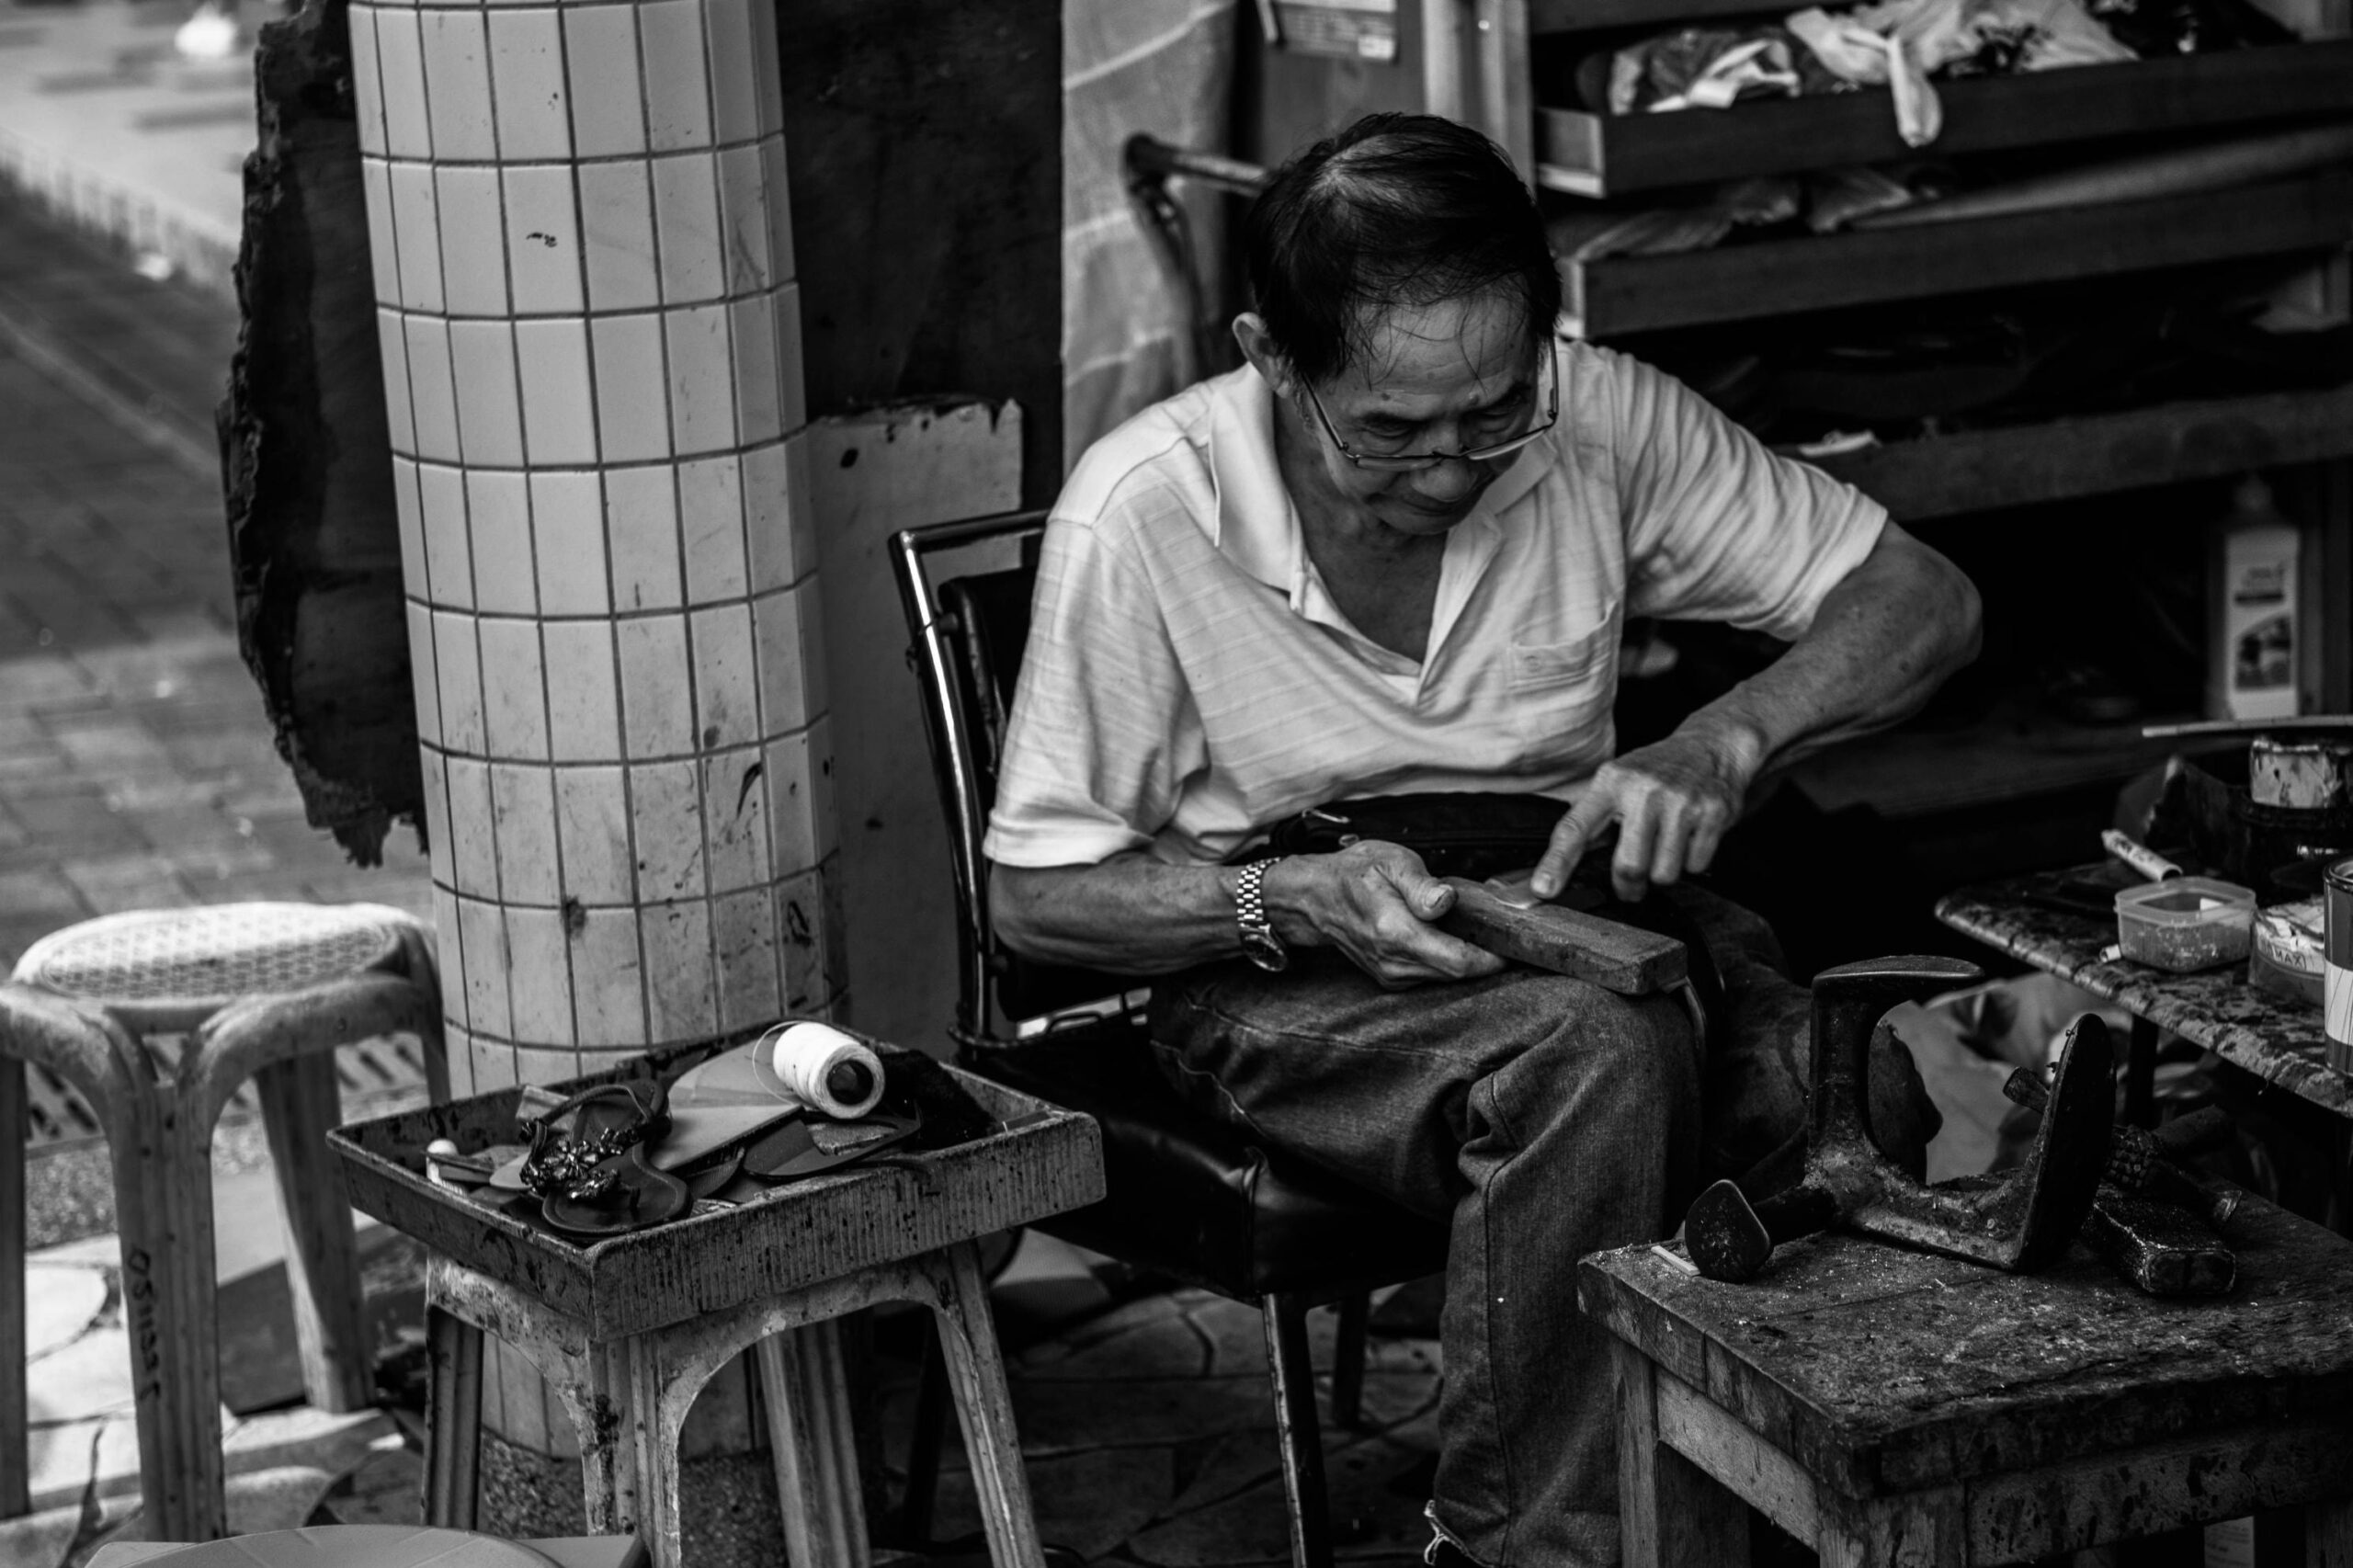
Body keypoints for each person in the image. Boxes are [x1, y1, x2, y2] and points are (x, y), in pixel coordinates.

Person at [982, 111, 1981, 1568]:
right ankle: (1527, 1544)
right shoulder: (1147, 509)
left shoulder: (1601, 419)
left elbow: (1926, 599)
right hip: (1268, 952)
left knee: (1845, 1090)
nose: (1452, 471)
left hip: (1571, 909)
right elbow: (1034, 901)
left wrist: (1723, 739)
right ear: (1272, 356)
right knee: (1595, 1063)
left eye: (1493, 415)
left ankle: (1732, 1523)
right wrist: (1294, 896)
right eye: (1390, 429)